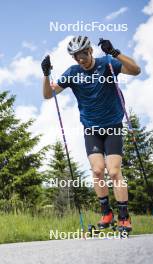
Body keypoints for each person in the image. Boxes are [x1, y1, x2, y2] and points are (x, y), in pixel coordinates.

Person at [41, 36, 141, 231]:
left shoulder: (108, 64)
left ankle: (124, 217)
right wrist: (46, 74)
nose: (81, 59)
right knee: (97, 170)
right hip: (91, 129)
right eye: (76, 57)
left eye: (84, 54)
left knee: (113, 171)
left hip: (112, 126)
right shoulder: (73, 73)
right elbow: (48, 95)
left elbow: (136, 70)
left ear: (91, 51)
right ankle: (106, 214)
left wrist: (115, 52)